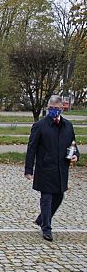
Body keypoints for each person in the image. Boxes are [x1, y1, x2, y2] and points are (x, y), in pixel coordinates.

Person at [25, 95, 80, 242]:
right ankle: (47, 228)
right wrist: (29, 169)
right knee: (47, 198)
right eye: (51, 108)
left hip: (61, 168)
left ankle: (42, 218)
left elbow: (73, 145)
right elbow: (32, 148)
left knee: (59, 196)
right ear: (48, 108)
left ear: (62, 109)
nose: (54, 111)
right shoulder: (40, 125)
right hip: (45, 168)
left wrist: (75, 155)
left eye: (57, 109)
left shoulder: (68, 126)